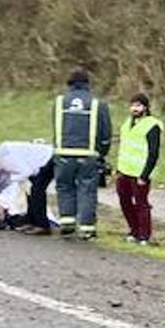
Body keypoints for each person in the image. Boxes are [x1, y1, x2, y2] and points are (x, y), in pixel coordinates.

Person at [53, 68, 111, 239]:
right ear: (87, 84)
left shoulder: (59, 102)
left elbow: (56, 126)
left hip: (63, 152)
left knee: (64, 187)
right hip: (88, 154)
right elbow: (105, 132)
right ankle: (86, 228)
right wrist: (102, 152)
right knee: (87, 189)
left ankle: (67, 221)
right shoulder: (97, 104)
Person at [115, 92, 163, 244]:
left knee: (141, 204)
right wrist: (118, 170)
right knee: (125, 202)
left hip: (139, 173)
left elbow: (153, 153)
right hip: (124, 171)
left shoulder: (152, 125)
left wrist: (145, 175)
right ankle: (133, 230)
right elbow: (124, 147)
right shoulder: (127, 123)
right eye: (133, 105)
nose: (135, 109)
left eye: (138, 105)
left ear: (146, 107)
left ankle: (144, 235)